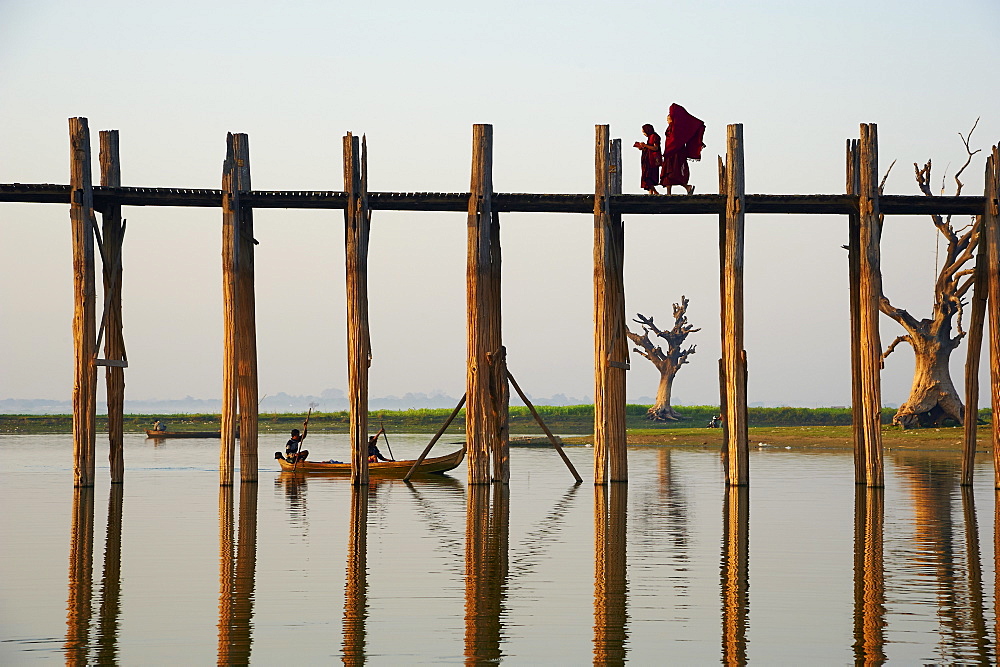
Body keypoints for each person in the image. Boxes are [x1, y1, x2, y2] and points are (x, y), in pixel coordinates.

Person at [660, 103, 706, 195]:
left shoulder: (677, 128)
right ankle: (669, 192)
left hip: (676, 152)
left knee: (674, 172)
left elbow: (676, 139)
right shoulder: (671, 127)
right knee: (668, 172)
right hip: (669, 152)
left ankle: (687, 187)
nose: (667, 120)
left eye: (669, 118)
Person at [633, 124, 661, 195]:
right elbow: (649, 147)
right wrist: (642, 147)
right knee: (646, 175)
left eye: (644, 132)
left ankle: (655, 192)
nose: (644, 133)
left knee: (648, 176)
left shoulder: (655, 137)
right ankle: (651, 192)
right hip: (648, 159)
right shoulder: (650, 137)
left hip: (652, 160)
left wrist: (645, 145)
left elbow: (655, 148)